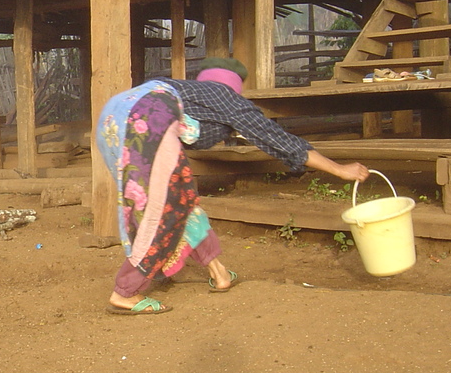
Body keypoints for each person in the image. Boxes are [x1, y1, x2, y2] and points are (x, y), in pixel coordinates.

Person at [95, 57, 370, 315]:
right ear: (233, 88)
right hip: (145, 116)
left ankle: (220, 273)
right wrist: (338, 169)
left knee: (182, 198)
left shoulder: (189, 97)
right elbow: (277, 139)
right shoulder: (224, 96)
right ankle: (125, 291)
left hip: (112, 117)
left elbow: (199, 139)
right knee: (162, 208)